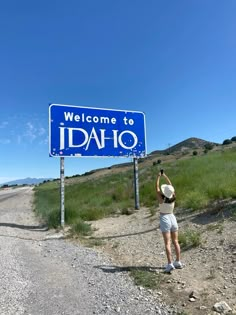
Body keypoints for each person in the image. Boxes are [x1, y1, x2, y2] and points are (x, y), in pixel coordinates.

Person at [156, 170, 183, 273]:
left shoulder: (161, 199)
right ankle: (178, 261)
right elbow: (171, 186)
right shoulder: (173, 197)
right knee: (175, 241)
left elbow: (157, 188)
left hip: (165, 218)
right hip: (173, 217)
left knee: (167, 242)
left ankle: (170, 264)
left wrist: (158, 177)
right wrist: (165, 176)